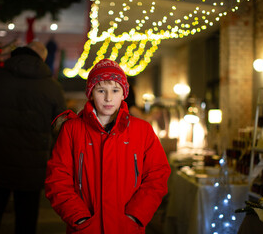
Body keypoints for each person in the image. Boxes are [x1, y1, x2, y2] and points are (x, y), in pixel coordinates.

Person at [44, 58, 171, 233]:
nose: (108, 98)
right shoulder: (72, 130)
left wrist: (136, 215)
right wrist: (78, 217)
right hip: (86, 228)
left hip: (126, 227)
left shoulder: (142, 131)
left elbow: (157, 176)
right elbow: (57, 179)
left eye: (115, 90)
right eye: (101, 90)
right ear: (91, 93)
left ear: (123, 94)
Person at [0, 41, 66, 234]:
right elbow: (61, 125)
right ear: (42, 59)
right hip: (32, 163)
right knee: (26, 219)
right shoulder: (51, 87)